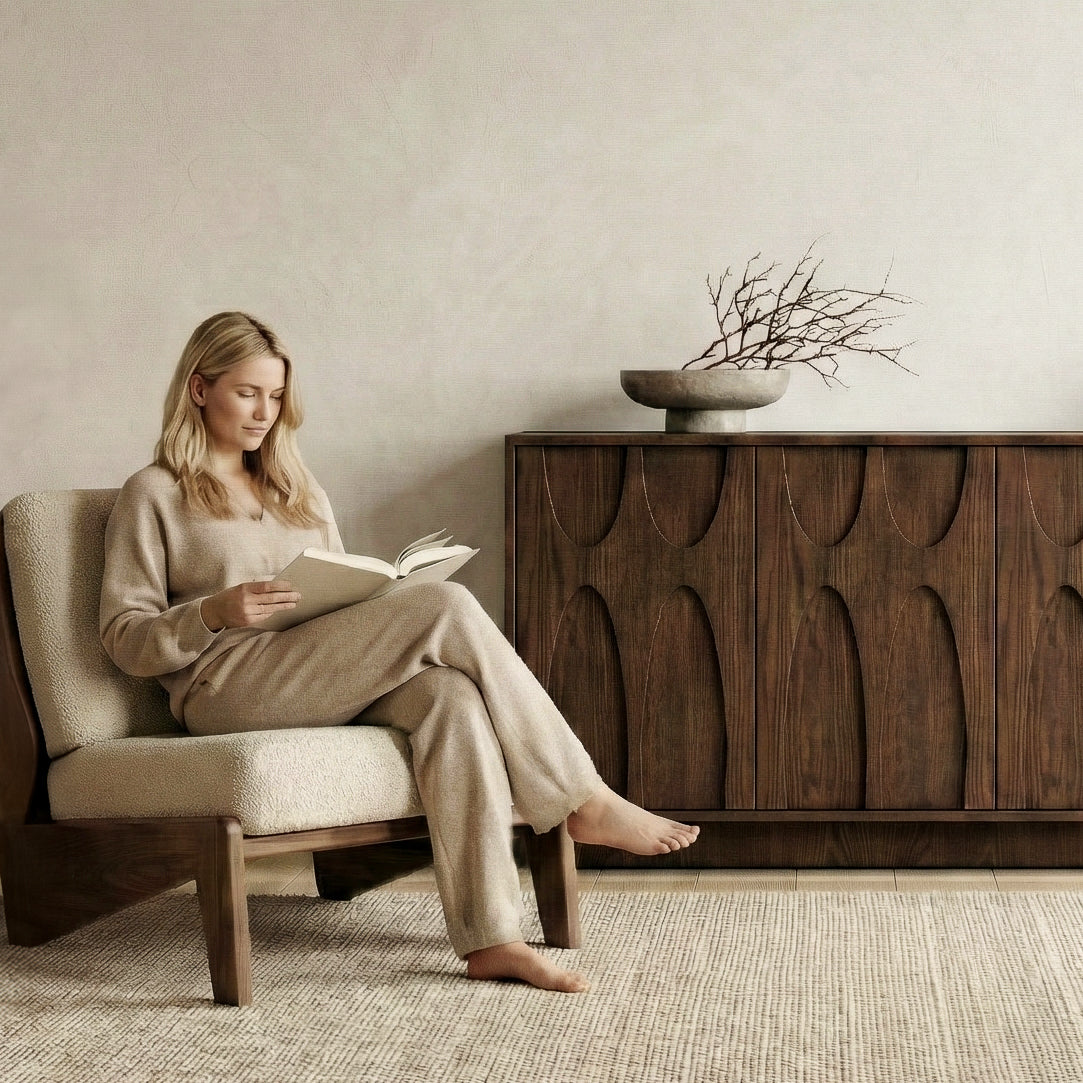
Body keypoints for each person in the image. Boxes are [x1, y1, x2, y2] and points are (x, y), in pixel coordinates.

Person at [99, 311, 699, 993]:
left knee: (451, 697)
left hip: (315, 669)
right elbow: (124, 637)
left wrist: (370, 596)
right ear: (200, 388)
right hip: (224, 687)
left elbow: (329, 589)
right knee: (447, 606)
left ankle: (492, 938)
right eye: (248, 393)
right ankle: (579, 797)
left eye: (276, 395)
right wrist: (211, 611)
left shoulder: (296, 487)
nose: (266, 412)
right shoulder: (154, 493)